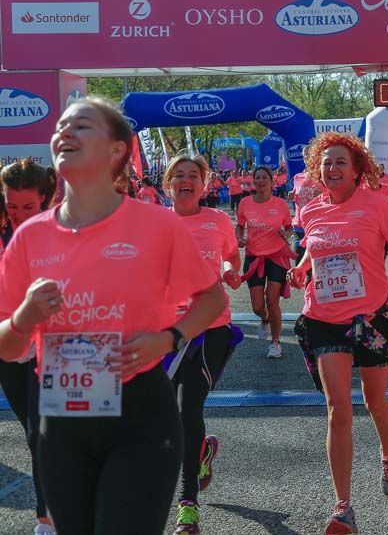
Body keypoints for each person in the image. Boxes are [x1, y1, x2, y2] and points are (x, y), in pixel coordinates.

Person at [0, 97, 225, 535]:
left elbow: (212, 299)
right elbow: (8, 346)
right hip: (61, 421)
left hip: (139, 412)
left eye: (81, 125)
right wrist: (25, 317)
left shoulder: (157, 226)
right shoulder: (29, 238)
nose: (64, 132)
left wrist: (169, 339)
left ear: (116, 150)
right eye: (60, 126)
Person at [286, 132, 388, 534]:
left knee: (375, 401)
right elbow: (313, 246)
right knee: (337, 408)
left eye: (340, 161)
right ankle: (343, 507)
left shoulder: (378, 206)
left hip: (372, 319)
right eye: (326, 162)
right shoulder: (311, 211)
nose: (332, 168)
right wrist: (302, 269)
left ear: (358, 169)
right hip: (325, 317)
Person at [164, 154, 244, 534]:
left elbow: (231, 255)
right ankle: (202, 452)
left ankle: (188, 505)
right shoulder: (156, 224)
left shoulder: (217, 220)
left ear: (204, 184)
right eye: (178, 175)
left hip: (212, 326)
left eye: (193, 175)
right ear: (168, 185)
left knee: (186, 407)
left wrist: (230, 271)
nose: (185, 180)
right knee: (166, 415)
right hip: (167, 329)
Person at [0, 158, 58, 535]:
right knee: (30, 431)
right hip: (6, 344)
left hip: (49, 347)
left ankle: (46, 520)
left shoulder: (61, 233)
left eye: (29, 207)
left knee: (43, 434)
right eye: (11, 206)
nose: (19, 215)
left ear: (46, 201)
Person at [237, 166, 294, 358]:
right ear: (254, 181)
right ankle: (265, 319)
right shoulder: (245, 203)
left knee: (272, 300)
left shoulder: (280, 204)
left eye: (264, 178)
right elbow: (240, 226)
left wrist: (286, 234)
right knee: (257, 306)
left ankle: (276, 343)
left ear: (272, 182)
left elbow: (289, 226)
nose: (260, 181)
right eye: (257, 178)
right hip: (254, 256)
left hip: (276, 255)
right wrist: (240, 238)